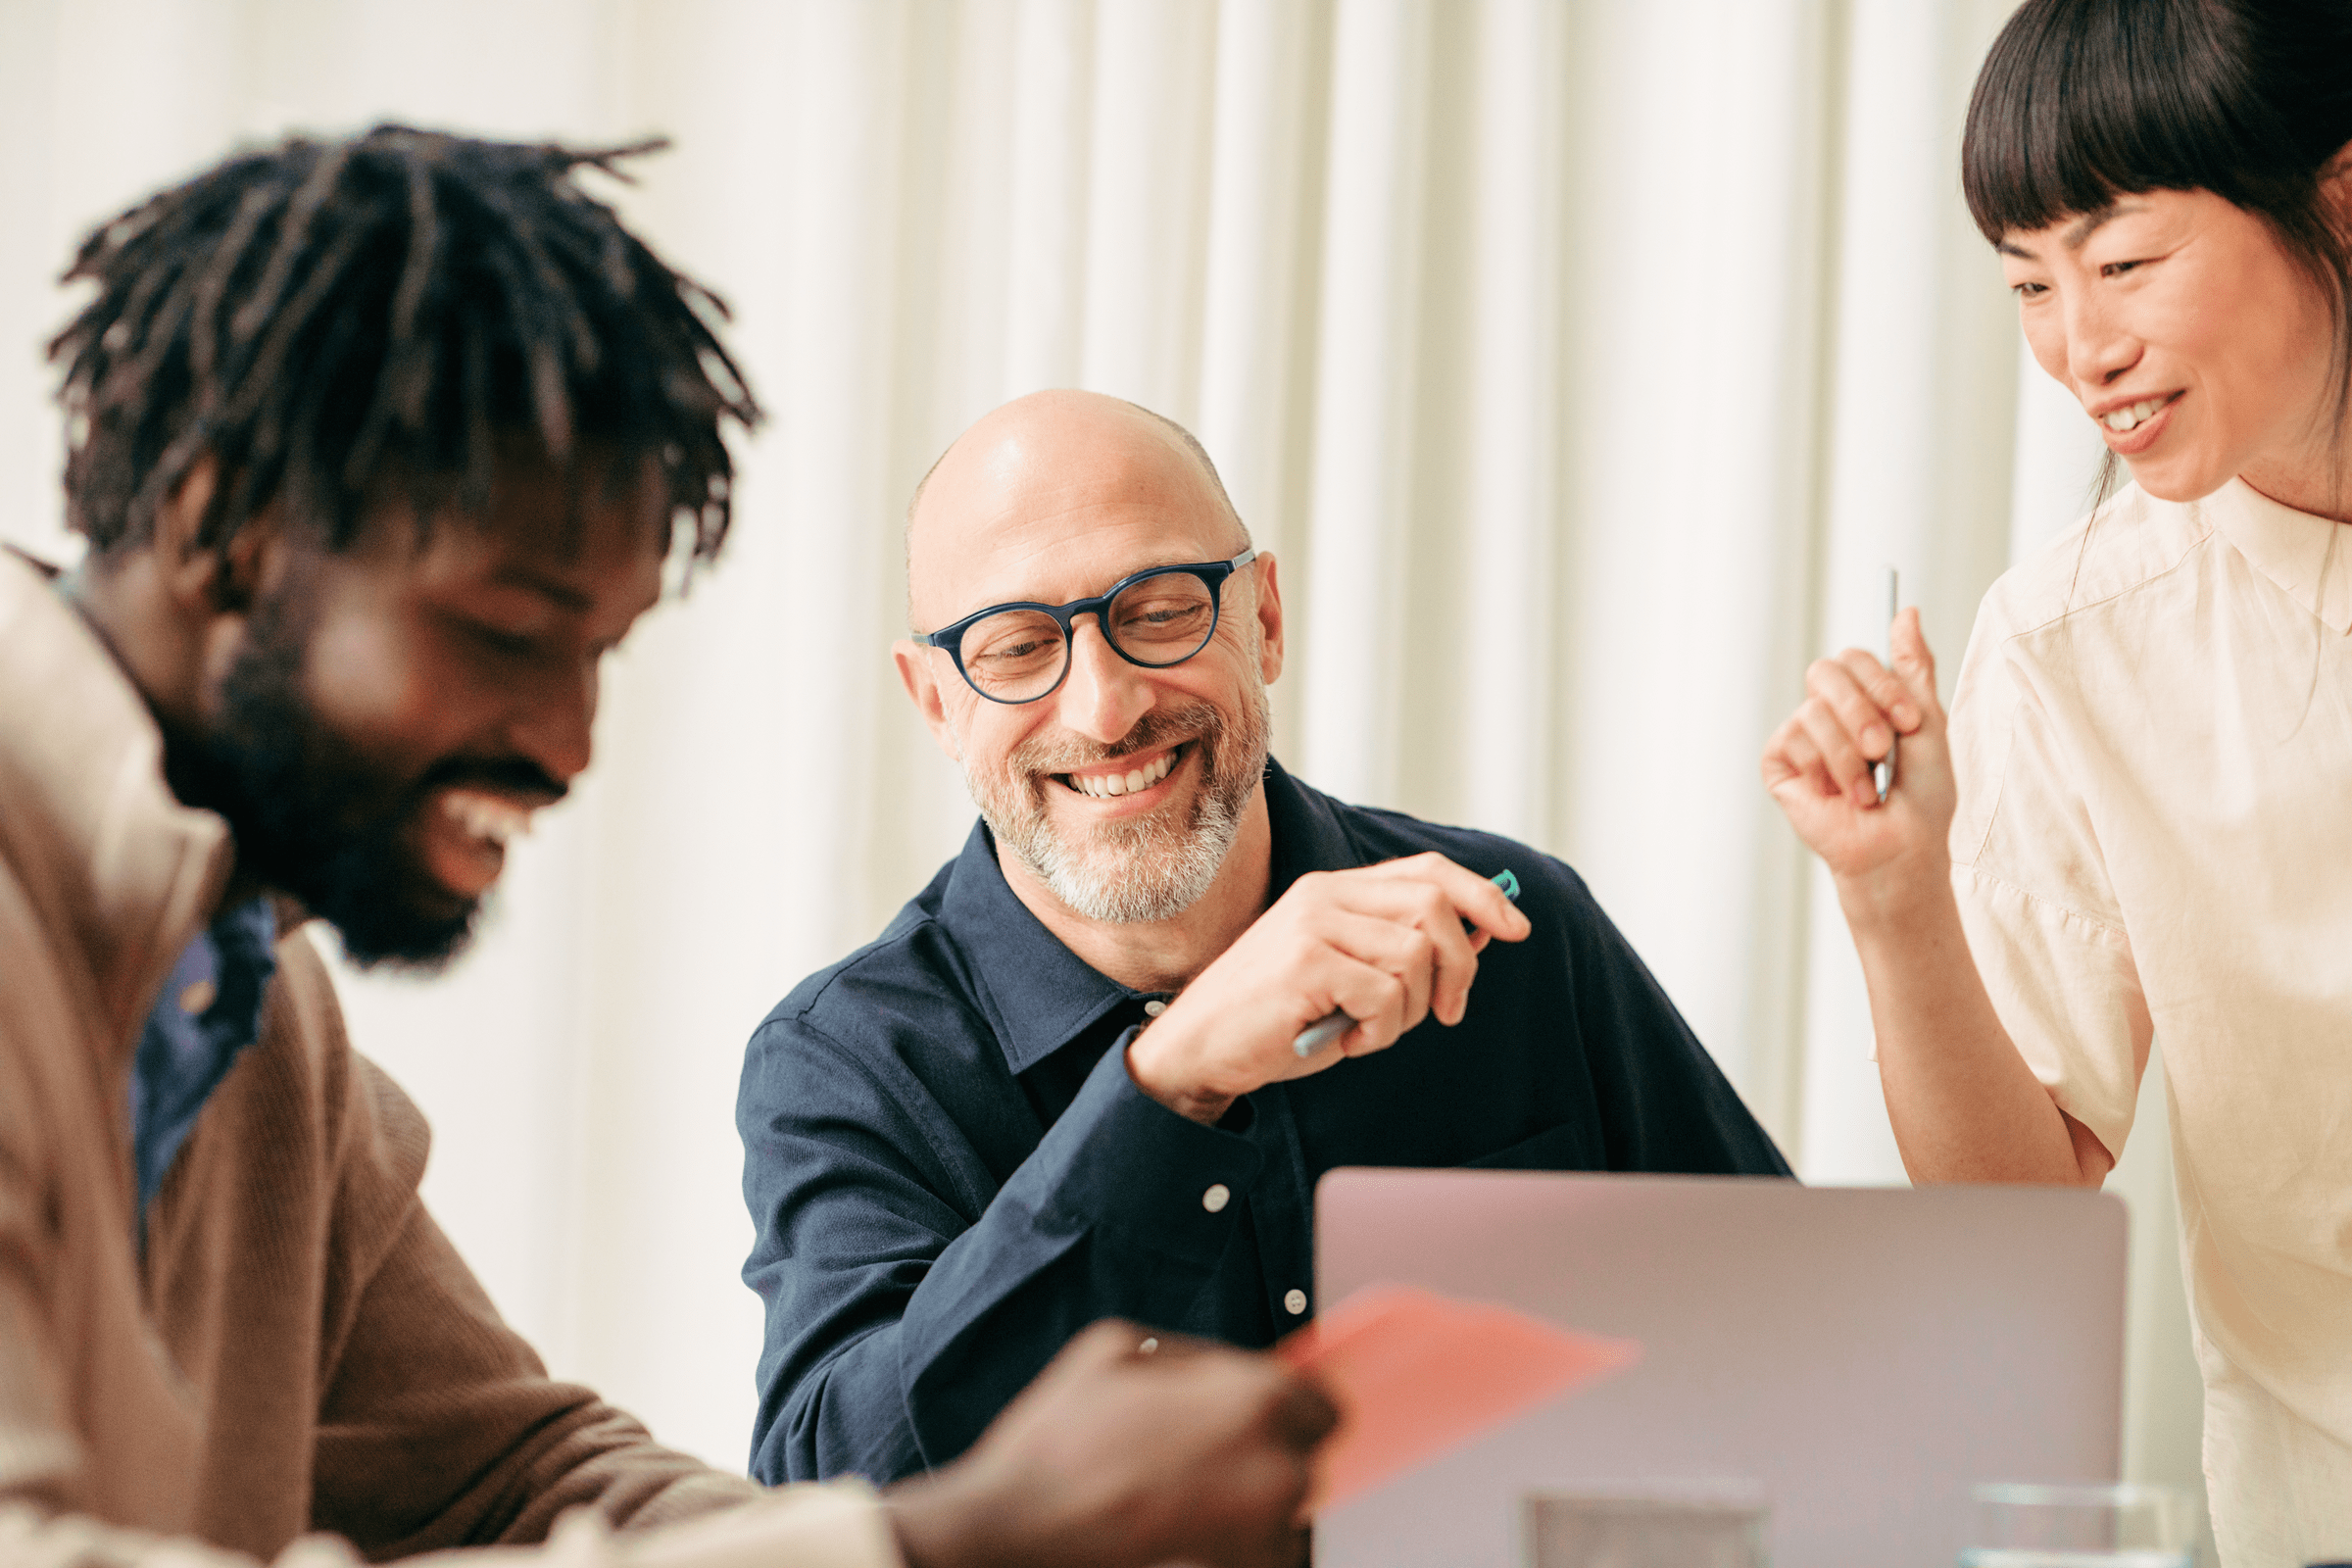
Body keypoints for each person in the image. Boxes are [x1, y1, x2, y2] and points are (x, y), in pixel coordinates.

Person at [0, 126, 1338, 1568]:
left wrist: (964, 1530)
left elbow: (515, 1479)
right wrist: (957, 1537)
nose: (569, 745)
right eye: (508, 634)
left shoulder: (254, 1004)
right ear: (223, 531)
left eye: (599, 653)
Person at [736, 387, 1790, 1488]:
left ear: (1266, 621)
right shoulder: (848, 1059)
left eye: (1157, 612)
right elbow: (828, 1495)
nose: (1104, 710)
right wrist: (1167, 1085)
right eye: (1015, 648)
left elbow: (1791, 1335)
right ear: (937, 704)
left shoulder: (1518, 930)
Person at [1757, 3, 2352, 1564]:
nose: (2081, 349)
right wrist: (1896, 897)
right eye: (2030, 282)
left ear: (2340, 198)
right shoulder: (2074, 640)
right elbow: (2018, 1213)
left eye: (2124, 261)